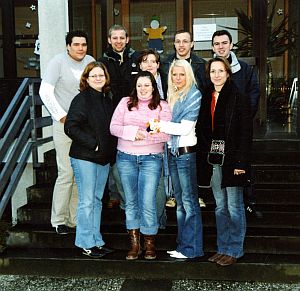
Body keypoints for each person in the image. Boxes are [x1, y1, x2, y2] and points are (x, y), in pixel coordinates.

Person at [196, 57, 253, 266]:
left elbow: (246, 133)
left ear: (228, 73)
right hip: (214, 161)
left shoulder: (239, 97)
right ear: (208, 74)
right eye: (213, 71)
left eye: (220, 71)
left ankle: (234, 249)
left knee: (234, 206)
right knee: (220, 207)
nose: (216, 75)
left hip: (233, 161)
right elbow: (202, 129)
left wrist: (241, 163)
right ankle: (222, 248)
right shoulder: (207, 97)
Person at [110, 71, 172, 260]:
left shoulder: (163, 105)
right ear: (134, 88)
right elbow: (113, 127)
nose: (143, 89)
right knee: (131, 201)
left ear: (153, 87)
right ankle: (134, 245)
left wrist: (143, 133)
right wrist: (130, 132)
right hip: (126, 158)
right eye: (139, 85)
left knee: (148, 202)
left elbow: (167, 133)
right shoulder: (124, 103)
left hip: (151, 158)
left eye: (146, 85)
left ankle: (149, 244)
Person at [39, 30, 95, 234]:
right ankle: (59, 219)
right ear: (68, 46)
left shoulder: (90, 60)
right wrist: (61, 116)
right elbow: (44, 92)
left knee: (81, 173)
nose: (81, 48)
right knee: (66, 172)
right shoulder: (57, 62)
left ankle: (75, 219)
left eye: (84, 44)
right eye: (76, 44)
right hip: (64, 125)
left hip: (85, 127)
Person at [64, 61, 116, 258]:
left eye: (101, 75)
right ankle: (85, 243)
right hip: (85, 157)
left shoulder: (107, 99)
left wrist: (107, 150)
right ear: (86, 78)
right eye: (93, 75)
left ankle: (97, 240)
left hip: (102, 159)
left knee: (96, 200)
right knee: (86, 201)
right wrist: (93, 144)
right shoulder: (81, 99)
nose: (98, 78)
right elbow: (70, 126)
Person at [156, 59, 204, 259]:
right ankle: (183, 246)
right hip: (173, 153)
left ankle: (192, 249)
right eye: (174, 74)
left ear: (189, 75)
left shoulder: (194, 94)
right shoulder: (172, 96)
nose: (178, 78)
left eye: (182, 74)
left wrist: (159, 125)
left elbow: (184, 128)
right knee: (181, 204)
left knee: (190, 203)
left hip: (185, 154)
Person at [211, 29, 261, 218]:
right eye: (217, 44)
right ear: (213, 47)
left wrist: (244, 117)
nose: (221, 47)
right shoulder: (209, 70)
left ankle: (250, 203)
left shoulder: (245, 70)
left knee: (241, 169)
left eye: (224, 43)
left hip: (239, 131)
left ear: (231, 45)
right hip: (218, 136)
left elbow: (254, 93)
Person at [160, 30, 208, 208]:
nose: (181, 45)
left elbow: (204, 91)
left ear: (192, 44)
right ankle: (173, 194)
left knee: (189, 189)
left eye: (185, 41)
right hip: (173, 138)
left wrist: (159, 125)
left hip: (194, 122)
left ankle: (198, 194)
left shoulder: (201, 65)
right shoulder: (166, 64)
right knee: (182, 194)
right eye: (178, 41)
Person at [99, 24, 140, 209]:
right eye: (114, 38)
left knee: (127, 153)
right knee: (112, 155)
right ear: (109, 40)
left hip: (132, 114)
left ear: (127, 39)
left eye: (121, 38)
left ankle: (128, 196)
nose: (118, 41)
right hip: (110, 114)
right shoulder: (103, 61)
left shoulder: (136, 58)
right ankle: (114, 194)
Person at [137, 49, 168, 229]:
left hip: (164, 137)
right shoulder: (135, 85)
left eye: (153, 61)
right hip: (139, 142)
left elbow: (166, 111)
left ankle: (156, 220)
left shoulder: (168, 81)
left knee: (160, 181)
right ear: (140, 65)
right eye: (145, 61)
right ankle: (148, 220)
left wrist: (152, 129)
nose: (149, 64)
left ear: (158, 65)